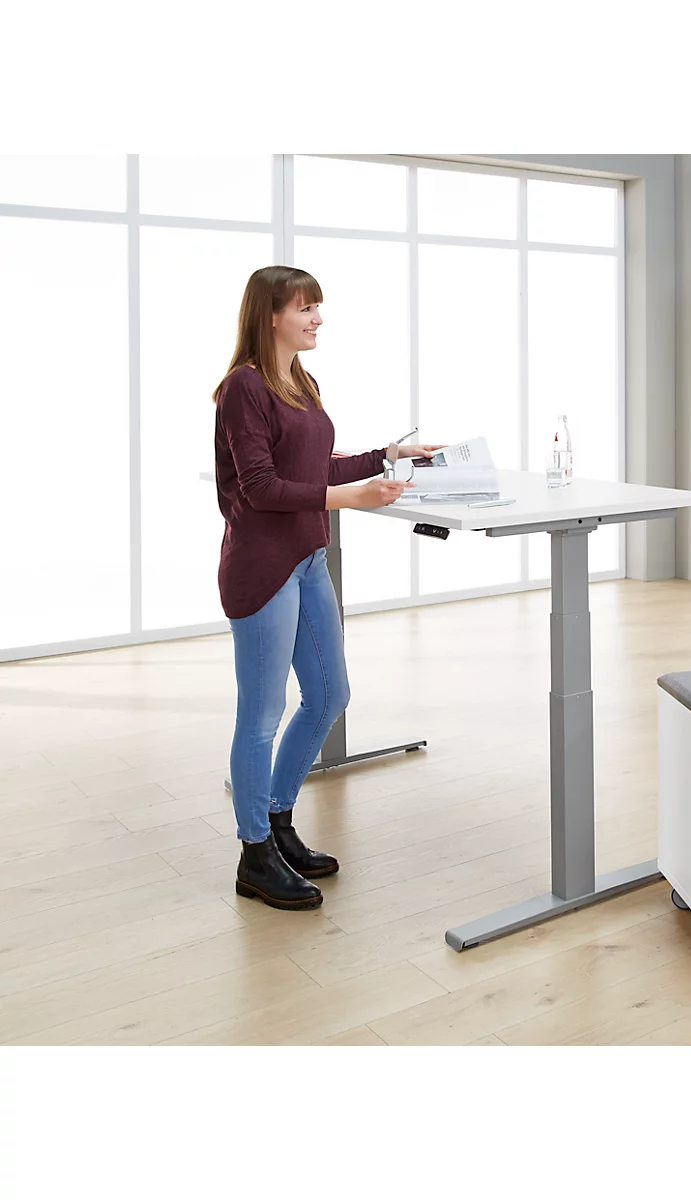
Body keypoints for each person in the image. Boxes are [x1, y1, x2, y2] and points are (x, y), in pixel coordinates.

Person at [211, 265, 441, 911]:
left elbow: (315, 468)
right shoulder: (242, 389)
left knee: (330, 693)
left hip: (309, 559)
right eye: (305, 308)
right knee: (261, 715)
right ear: (271, 315)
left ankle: (278, 824)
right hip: (263, 566)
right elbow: (260, 487)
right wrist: (353, 497)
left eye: (318, 307)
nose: (317, 319)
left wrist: (394, 457)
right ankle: (254, 853)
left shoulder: (302, 382)